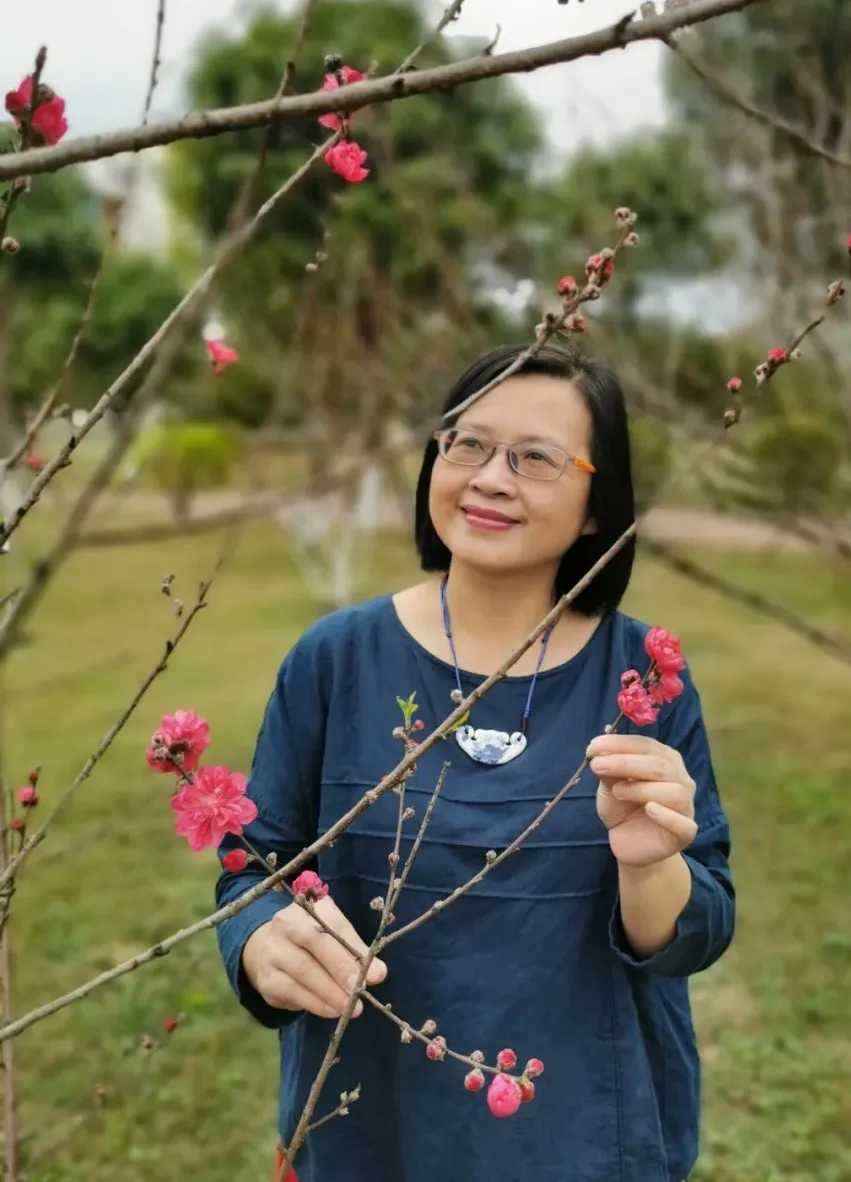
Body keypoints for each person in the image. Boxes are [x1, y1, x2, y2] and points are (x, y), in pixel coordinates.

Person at [215, 343, 736, 1182]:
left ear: (598, 506)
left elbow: (698, 923)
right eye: (467, 444)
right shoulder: (333, 661)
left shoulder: (645, 678)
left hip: (587, 1139)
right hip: (371, 1133)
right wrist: (255, 941)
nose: (491, 477)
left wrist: (652, 867)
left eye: (535, 458)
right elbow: (251, 872)